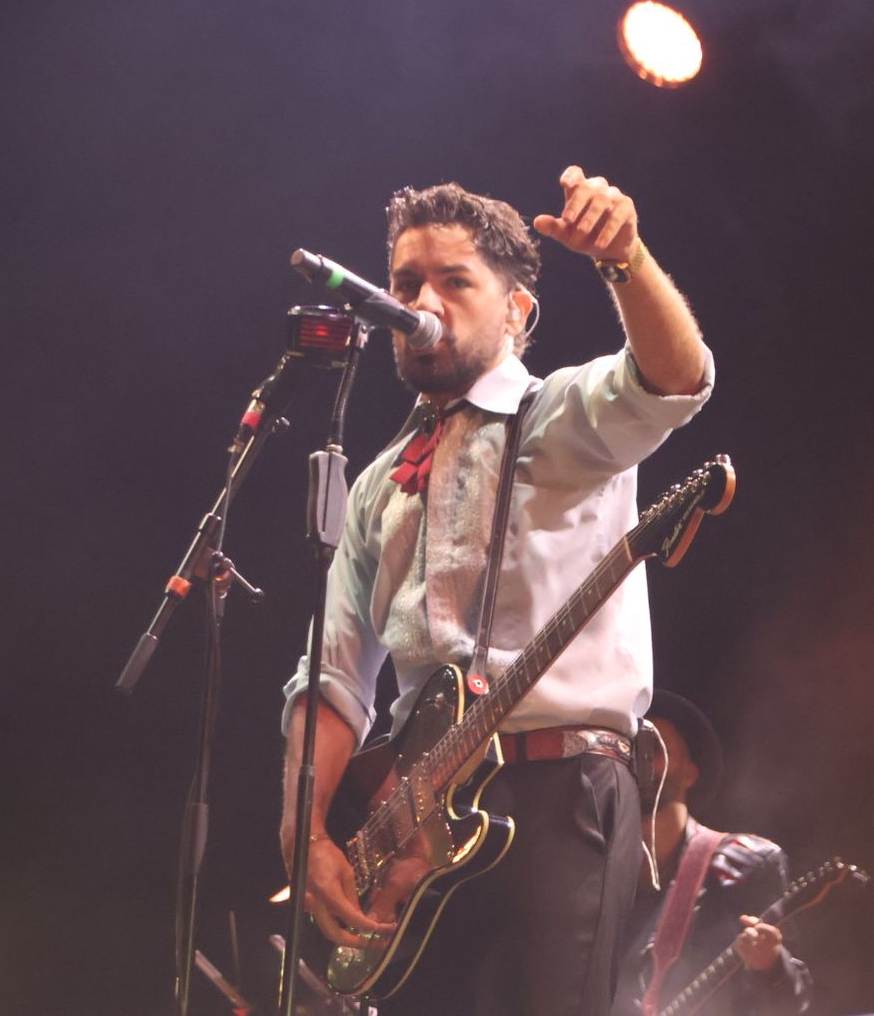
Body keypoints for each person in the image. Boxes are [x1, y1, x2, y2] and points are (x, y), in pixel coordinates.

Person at [278, 165, 714, 1016]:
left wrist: (624, 258)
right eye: (406, 284)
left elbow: (673, 379)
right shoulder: (376, 487)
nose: (423, 300)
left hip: (559, 793)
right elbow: (332, 674)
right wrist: (309, 831)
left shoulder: (560, 417)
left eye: (454, 281)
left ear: (517, 311)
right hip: (413, 826)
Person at [613, 690, 812, 1016]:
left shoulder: (747, 864)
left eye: (656, 748)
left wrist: (770, 966)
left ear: (691, 772)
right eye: (633, 749)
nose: (641, 759)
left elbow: (792, 1004)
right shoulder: (595, 869)